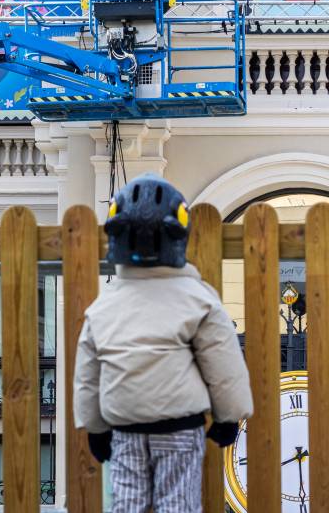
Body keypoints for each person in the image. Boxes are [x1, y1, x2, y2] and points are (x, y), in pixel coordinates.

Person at [72, 174, 252, 513]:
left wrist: (94, 428)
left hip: (124, 425)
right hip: (180, 427)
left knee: (129, 504)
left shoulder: (104, 306)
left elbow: (87, 375)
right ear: (178, 235)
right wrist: (229, 417)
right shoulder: (198, 299)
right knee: (178, 504)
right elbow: (223, 363)